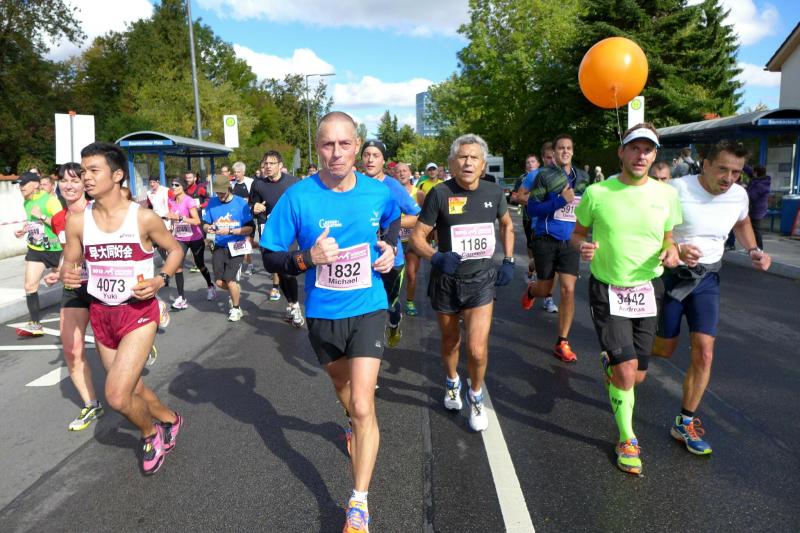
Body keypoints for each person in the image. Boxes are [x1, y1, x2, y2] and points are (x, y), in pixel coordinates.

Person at [260, 111, 399, 532]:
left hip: (369, 306)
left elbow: (392, 222)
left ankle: (358, 503)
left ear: (357, 145)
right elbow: (270, 255)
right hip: (323, 314)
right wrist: (307, 258)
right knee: (347, 396)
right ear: (317, 147)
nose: (336, 152)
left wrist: (390, 249)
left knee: (363, 403)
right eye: (327, 144)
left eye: (344, 143)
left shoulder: (378, 192)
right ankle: (356, 425)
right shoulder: (299, 197)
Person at [61, 142, 183, 475]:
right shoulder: (78, 222)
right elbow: (71, 264)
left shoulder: (142, 217)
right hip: (102, 313)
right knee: (134, 388)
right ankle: (171, 419)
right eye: (83, 171)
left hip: (138, 312)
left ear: (117, 175)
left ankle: (150, 434)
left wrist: (160, 279)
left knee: (116, 396)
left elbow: (174, 250)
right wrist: (67, 273)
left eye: (93, 170)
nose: (86, 177)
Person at [571, 124, 682, 475]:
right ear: (621, 152)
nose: (641, 155)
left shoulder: (667, 195)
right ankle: (627, 438)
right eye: (635, 148)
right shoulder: (597, 192)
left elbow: (669, 237)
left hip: (648, 290)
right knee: (626, 370)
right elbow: (577, 234)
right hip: (608, 289)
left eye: (648, 150)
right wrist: (583, 246)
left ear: (654, 155)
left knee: (638, 376)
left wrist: (672, 251)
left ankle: (614, 367)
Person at [652, 141, 771, 456]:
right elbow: (650, 229)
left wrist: (753, 250)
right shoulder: (676, 189)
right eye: (723, 169)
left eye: (736, 172)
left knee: (705, 352)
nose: (729, 178)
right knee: (664, 349)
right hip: (672, 276)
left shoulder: (738, 195)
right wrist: (676, 248)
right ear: (705, 164)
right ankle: (626, 353)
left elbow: (742, 222)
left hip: (707, 279)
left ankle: (685, 422)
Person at [410, 133, 514, 432]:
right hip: (446, 281)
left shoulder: (494, 192)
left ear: (483, 165)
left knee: (477, 349)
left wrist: (508, 260)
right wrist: (436, 257)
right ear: (452, 163)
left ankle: (476, 395)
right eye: (462, 157)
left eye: (474, 157)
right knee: (451, 341)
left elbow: (507, 224)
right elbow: (417, 237)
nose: (468, 162)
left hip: (480, 281)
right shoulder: (439, 193)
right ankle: (452, 381)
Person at [521, 134, 589, 362]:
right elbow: (533, 209)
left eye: (569, 148)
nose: (565, 151)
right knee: (546, 289)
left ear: (573, 151)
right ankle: (532, 291)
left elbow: (587, 208)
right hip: (546, 238)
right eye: (561, 148)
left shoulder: (583, 178)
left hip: (570, 241)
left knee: (568, 289)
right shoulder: (544, 176)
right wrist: (560, 201)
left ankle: (562, 341)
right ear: (555, 152)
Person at [46, 163, 104, 430]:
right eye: (63, 180)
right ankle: (91, 404)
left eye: (74, 180)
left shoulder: (98, 212)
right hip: (74, 287)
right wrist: (58, 271)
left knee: (110, 352)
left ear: (85, 184)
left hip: (103, 286)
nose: (68, 185)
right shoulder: (58, 219)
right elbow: (68, 250)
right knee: (71, 349)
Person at [361, 142, 421, 347]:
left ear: (383, 161)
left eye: (375, 155)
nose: (370, 159)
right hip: (362, 257)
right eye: (366, 155)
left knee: (389, 304)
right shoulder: (355, 184)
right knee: (369, 307)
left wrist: (388, 223)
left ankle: (394, 322)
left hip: (392, 259)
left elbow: (416, 216)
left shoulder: (393, 186)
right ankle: (369, 350)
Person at [250, 150, 304, 326]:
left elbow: (303, 204)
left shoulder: (293, 182)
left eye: (271, 163)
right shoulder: (258, 184)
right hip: (269, 232)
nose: (267, 166)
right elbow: (252, 205)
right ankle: (291, 304)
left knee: (288, 270)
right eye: (265, 163)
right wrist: (254, 208)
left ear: (280, 165)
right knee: (278, 269)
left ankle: (296, 306)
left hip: (289, 232)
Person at [14, 172, 62, 336]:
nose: (21, 187)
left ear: (35, 184)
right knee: (29, 286)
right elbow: (33, 222)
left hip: (55, 249)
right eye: (19, 184)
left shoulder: (50, 201)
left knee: (71, 282)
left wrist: (41, 215)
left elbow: (60, 225)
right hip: (36, 249)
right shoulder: (26, 201)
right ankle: (35, 324)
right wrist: (24, 230)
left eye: (24, 184)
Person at [202, 173, 254, 322]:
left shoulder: (240, 203)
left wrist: (230, 231)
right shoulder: (212, 202)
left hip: (236, 245)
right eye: (217, 192)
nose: (220, 195)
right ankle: (235, 289)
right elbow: (204, 223)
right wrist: (208, 228)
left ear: (229, 188)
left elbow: (250, 228)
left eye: (222, 192)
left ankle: (236, 309)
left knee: (229, 280)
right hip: (219, 246)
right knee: (219, 282)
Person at [514, 142, 559, 312]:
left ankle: (546, 294)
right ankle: (546, 296)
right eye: (548, 157)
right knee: (548, 268)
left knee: (555, 269)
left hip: (560, 227)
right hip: (539, 226)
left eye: (554, 157)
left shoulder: (566, 175)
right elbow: (519, 196)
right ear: (543, 159)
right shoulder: (534, 175)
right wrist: (538, 203)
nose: (552, 161)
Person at [166, 176, 214, 307]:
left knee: (200, 264)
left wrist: (180, 218)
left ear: (183, 187)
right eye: (172, 185)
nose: (173, 187)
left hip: (194, 238)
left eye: (176, 185)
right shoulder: (171, 201)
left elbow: (197, 221)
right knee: (178, 267)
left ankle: (210, 286)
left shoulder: (189, 201)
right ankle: (181, 298)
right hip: (179, 238)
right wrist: (171, 225)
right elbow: (173, 218)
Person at [511, 153, 541, 282]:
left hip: (542, 216)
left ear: (538, 164)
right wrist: (526, 199)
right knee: (530, 243)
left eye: (533, 161)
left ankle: (539, 271)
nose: (530, 164)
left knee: (542, 243)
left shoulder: (545, 176)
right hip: (528, 216)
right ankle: (532, 266)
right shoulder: (522, 178)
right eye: (528, 162)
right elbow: (513, 197)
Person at [230, 161, 255, 277]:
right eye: (235, 172)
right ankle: (238, 265)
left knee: (247, 243)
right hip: (235, 218)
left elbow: (255, 198)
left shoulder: (250, 182)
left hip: (247, 217)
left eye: (238, 172)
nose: (236, 174)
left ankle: (249, 265)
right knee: (238, 244)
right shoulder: (232, 184)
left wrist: (248, 201)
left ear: (243, 172)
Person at [746, 165, 770, 250]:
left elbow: (751, 196)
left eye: (753, 171)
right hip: (758, 209)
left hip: (757, 211)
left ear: (756, 173)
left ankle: (759, 248)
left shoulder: (760, 185)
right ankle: (755, 247)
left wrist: (744, 190)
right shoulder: (761, 180)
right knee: (753, 229)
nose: (752, 173)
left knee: (755, 230)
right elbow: (749, 171)